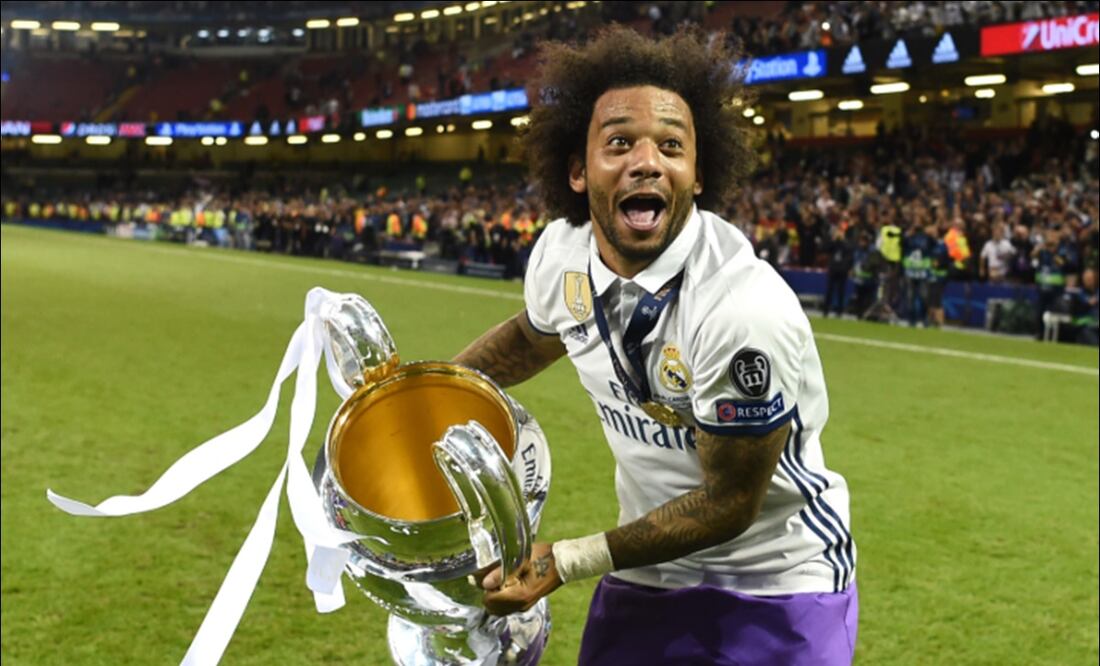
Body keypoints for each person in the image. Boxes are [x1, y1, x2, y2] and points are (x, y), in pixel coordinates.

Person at [453, 26, 857, 665]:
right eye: (619, 143)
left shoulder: (740, 309)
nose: (647, 162)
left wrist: (569, 558)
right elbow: (532, 337)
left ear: (698, 176)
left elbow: (729, 504)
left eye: (672, 145)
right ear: (578, 171)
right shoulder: (562, 253)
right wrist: (425, 390)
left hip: (777, 582)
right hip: (649, 573)